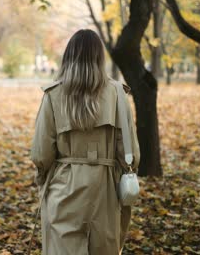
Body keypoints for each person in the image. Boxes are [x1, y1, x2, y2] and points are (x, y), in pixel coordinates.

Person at [30, 29, 140, 255]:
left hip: (64, 186)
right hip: (105, 189)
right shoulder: (117, 94)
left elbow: (41, 154)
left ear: (68, 57)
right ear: (100, 58)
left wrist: (43, 180)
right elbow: (131, 154)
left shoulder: (53, 94)